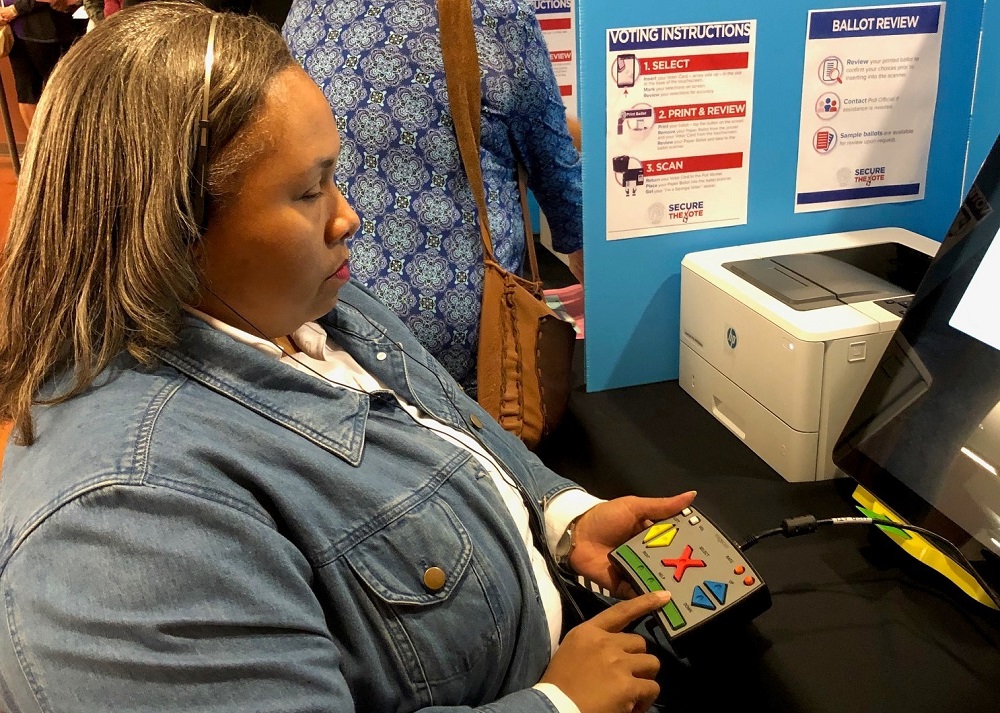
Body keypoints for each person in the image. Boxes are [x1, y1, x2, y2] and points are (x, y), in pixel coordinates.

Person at [0, 5, 695, 712]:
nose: (348, 215)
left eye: (335, 176)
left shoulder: (304, 306)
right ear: (173, 227)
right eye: (309, 191)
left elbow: (450, 424)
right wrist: (558, 704)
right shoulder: (124, 525)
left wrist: (563, 516)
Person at [282, 0, 584, 393]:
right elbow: (566, 195)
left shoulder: (309, 7)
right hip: (468, 371)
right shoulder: (492, 15)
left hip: (324, 335)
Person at [0, 0, 83, 129]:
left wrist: (15, 10)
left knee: (62, 92)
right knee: (26, 94)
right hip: (15, 32)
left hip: (49, 30)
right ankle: (39, 146)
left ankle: (65, 144)